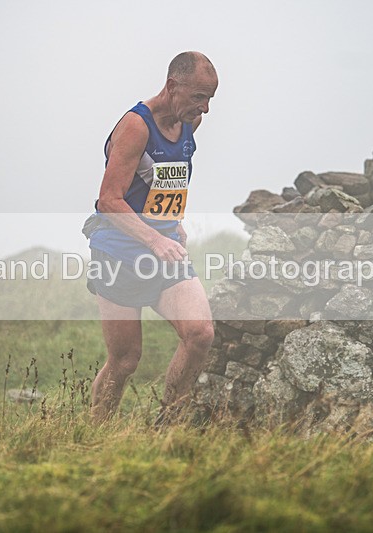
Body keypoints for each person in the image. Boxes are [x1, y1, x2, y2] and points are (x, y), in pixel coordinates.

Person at [84, 51, 218, 423]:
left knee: (200, 334)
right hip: (120, 253)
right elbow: (108, 200)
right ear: (172, 86)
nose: (204, 108)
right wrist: (154, 240)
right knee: (125, 361)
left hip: (167, 251)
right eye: (198, 97)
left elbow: (166, 181)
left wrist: (173, 223)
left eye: (210, 98)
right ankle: (95, 435)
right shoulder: (136, 126)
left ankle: (167, 426)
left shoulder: (189, 122)